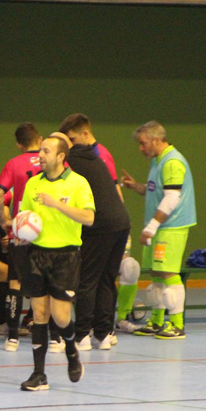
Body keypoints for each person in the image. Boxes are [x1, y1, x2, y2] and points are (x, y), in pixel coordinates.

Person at [18, 135, 94, 391]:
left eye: (46, 151)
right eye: (40, 150)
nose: (40, 155)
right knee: (39, 314)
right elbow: (25, 216)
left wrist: (56, 205)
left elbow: (89, 218)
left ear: (61, 156)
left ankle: (71, 351)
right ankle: (39, 374)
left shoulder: (78, 183)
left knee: (61, 316)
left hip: (66, 256)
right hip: (37, 255)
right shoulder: (33, 184)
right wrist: (21, 233)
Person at [60, 113, 131, 351]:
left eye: (71, 140)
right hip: (121, 223)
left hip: (101, 225)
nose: (69, 146)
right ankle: (103, 334)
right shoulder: (96, 157)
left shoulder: (72, 161)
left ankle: (81, 335)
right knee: (106, 280)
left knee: (88, 280)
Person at [121, 121, 197, 339]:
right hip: (159, 227)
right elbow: (156, 191)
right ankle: (156, 321)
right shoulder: (158, 161)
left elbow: (172, 198)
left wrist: (152, 226)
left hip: (171, 227)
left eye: (143, 143)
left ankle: (177, 325)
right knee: (156, 276)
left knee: (169, 274)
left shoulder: (172, 162)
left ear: (156, 140)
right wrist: (135, 186)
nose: (140, 148)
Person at [0, 122, 43, 351]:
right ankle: (52, 337)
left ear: (19, 144)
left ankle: (12, 337)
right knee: (46, 283)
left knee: (15, 282)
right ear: (40, 139)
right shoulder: (51, 161)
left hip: (21, 230)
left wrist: (4, 222)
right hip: (46, 231)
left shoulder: (14, 163)